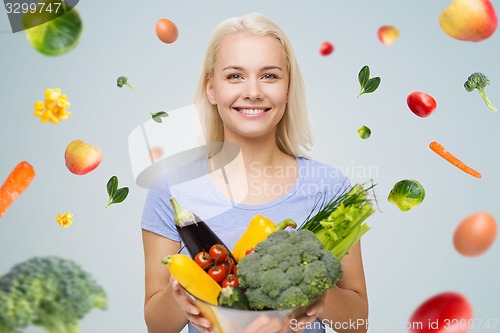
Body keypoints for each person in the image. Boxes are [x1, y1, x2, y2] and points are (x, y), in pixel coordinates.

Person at [141, 12, 368, 333]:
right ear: (211, 89)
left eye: (270, 76)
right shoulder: (172, 188)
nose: (253, 91)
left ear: (288, 87)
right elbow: (156, 326)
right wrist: (180, 292)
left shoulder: (329, 187)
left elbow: (358, 324)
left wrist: (319, 292)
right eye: (234, 76)